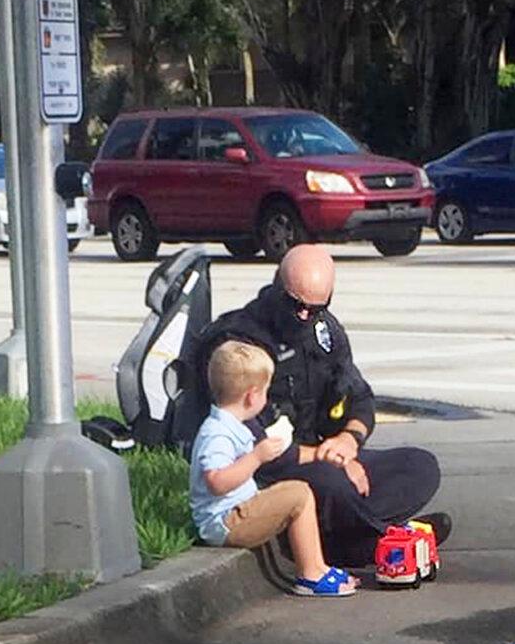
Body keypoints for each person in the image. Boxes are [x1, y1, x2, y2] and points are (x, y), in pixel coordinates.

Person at [196, 244, 449, 566]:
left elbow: (359, 398)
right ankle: (380, 542)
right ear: (277, 287)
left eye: (315, 308)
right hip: (272, 470)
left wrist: (348, 441)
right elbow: (256, 446)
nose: (304, 315)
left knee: (419, 467)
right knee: (335, 486)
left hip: (330, 454)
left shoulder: (325, 330)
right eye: (295, 305)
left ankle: (347, 538)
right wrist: (328, 459)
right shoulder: (240, 345)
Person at [189, 340, 358, 597]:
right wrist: (257, 457)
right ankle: (310, 574)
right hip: (225, 522)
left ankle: (319, 566)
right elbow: (217, 481)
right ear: (252, 395)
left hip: (233, 512)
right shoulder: (218, 434)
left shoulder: (231, 425)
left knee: (295, 490)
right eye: (266, 391)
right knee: (298, 494)